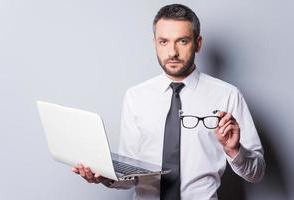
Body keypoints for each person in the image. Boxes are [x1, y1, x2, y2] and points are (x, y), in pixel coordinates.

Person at [71, 4, 266, 200]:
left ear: (198, 43)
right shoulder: (136, 96)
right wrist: (105, 176)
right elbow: (131, 176)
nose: (172, 52)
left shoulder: (228, 95)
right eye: (164, 42)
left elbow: (256, 173)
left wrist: (234, 150)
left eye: (182, 41)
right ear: (155, 42)